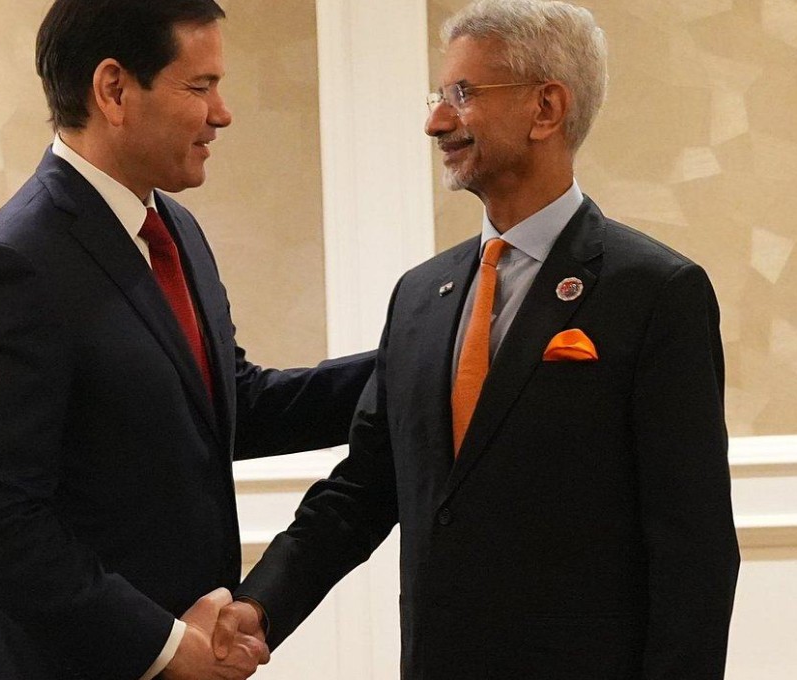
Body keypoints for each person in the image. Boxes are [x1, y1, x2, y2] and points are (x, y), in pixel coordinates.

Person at [213, 1, 740, 678]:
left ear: (545, 109)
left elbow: (694, 551)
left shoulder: (655, 293)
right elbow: (363, 490)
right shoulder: (418, 297)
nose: (435, 121)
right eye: (440, 96)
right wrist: (260, 606)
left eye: (462, 95)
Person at [0, 1, 374, 679]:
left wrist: (417, 360)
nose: (221, 113)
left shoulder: (176, 232)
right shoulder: (11, 266)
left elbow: (230, 406)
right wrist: (164, 647)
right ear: (113, 90)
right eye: (200, 87)